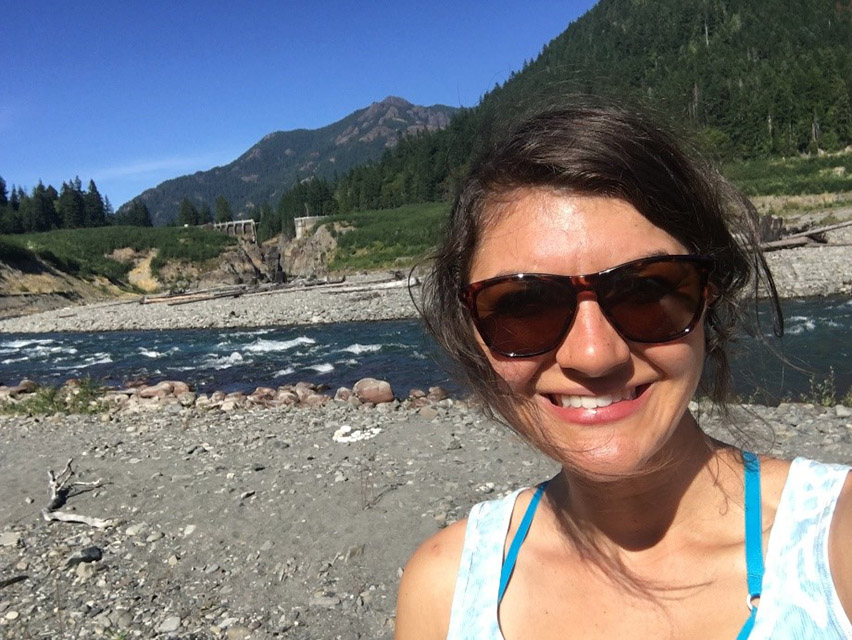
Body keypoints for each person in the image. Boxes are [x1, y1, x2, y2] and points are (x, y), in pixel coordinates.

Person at [395, 102, 852, 639]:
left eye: (646, 291)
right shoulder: (443, 590)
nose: (594, 355)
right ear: (475, 330)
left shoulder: (835, 546)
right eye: (524, 305)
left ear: (708, 298)